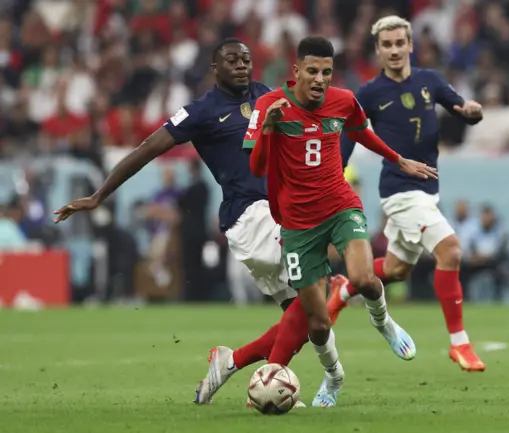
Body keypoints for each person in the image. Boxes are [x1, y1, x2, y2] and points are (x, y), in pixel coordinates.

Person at [52, 38, 341, 408]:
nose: (241, 65)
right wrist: (98, 196)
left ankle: (231, 362)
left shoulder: (268, 95)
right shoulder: (202, 111)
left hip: (281, 212)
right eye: (231, 60)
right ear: (214, 69)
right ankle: (296, 377)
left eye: (246, 60)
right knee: (319, 286)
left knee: (304, 322)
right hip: (251, 217)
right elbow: (146, 149)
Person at [245, 36, 437, 407]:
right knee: (317, 324)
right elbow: (256, 168)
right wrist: (268, 131)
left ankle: (384, 323)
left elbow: (361, 131)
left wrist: (398, 159)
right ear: (296, 70)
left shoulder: (344, 100)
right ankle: (334, 377)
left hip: (340, 207)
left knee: (364, 278)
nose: (320, 79)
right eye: (313, 71)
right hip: (297, 225)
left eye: (327, 72)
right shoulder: (269, 106)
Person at [334, 15, 486, 372]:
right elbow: (347, 133)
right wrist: (336, 172)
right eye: (387, 45)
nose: (395, 50)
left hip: (428, 188)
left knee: (396, 269)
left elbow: (461, 110)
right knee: (450, 250)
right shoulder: (369, 94)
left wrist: (472, 112)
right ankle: (460, 344)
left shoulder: (429, 81)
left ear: (411, 45)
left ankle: (343, 289)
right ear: (378, 50)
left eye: (400, 43)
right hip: (400, 191)